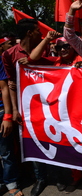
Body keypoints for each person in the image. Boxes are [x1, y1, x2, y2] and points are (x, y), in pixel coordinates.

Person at [2, 18, 58, 196]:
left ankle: (57, 174)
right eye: (37, 31)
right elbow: (11, 83)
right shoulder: (9, 54)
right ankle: (39, 177)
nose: (41, 34)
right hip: (25, 106)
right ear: (29, 33)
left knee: (51, 138)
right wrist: (15, 110)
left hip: (47, 103)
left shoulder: (45, 48)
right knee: (31, 141)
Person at [0, 37, 23, 196]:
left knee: (6, 152)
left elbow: (4, 88)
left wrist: (7, 115)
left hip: (1, 113)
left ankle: (11, 183)